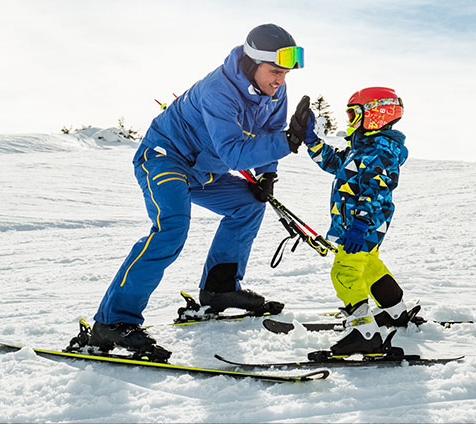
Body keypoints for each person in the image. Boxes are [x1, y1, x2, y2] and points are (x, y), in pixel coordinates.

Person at [87, 24, 311, 360]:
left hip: (205, 171)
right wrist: (287, 143)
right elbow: (235, 153)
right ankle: (113, 321)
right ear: (253, 63)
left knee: (248, 205)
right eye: (274, 72)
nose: (280, 80)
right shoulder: (218, 89)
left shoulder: (275, 93)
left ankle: (220, 290)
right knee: (171, 227)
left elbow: (269, 132)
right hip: (165, 159)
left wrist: (267, 174)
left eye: (285, 74)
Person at [297, 86, 412, 355]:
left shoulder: (378, 154)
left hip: (361, 226)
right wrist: (311, 139)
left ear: (375, 114)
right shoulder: (364, 149)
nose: (350, 120)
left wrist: (360, 224)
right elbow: (334, 162)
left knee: (345, 273)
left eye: (353, 114)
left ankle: (365, 333)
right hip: (362, 227)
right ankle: (396, 312)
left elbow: (376, 192)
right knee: (369, 266)